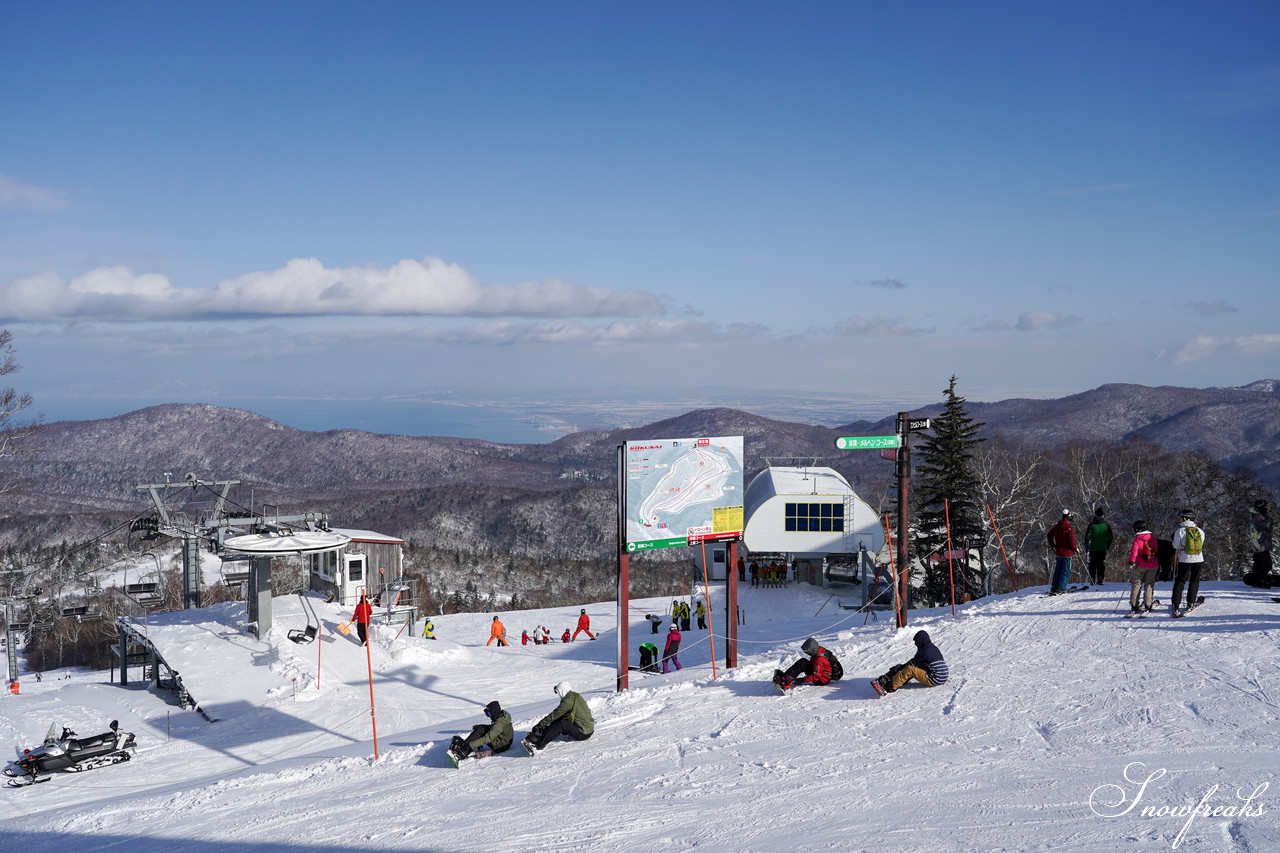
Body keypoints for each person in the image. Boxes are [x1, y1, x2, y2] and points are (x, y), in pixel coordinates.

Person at [522, 682, 594, 753]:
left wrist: (540, 724)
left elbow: (555, 714)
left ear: (563, 691)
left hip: (583, 733)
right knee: (559, 719)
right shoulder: (573, 695)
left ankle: (539, 743)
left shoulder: (567, 701)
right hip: (587, 728)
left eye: (558, 692)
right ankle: (544, 734)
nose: (558, 694)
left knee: (561, 724)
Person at [872, 630, 949, 696]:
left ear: (921, 640)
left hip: (935, 679)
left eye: (916, 641)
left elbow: (912, 664)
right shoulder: (933, 648)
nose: (915, 644)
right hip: (943, 677)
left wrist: (898, 669)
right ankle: (902, 680)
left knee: (910, 669)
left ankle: (890, 686)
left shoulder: (924, 651)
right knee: (920, 665)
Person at [449, 700, 513, 762]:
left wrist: (471, 745)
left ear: (494, 711)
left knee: (481, 731)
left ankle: (463, 752)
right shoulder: (502, 716)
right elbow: (494, 728)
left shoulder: (499, 724)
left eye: (489, 713)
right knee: (481, 728)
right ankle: (464, 746)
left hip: (501, 746)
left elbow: (487, 738)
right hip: (504, 741)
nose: (489, 716)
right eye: (487, 713)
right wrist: (482, 726)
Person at [1170, 509, 1206, 617]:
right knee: (1194, 581)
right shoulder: (1199, 530)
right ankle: (1191, 603)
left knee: (1180, 582)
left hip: (1185, 559)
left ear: (1185, 518)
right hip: (1199, 559)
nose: (1179, 519)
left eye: (1180, 517)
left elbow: (1176, 546)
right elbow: (1202, 543)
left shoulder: (1180, 531)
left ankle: (1176, 605)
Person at [773, 637, 842, 690]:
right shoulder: (819, 650)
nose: (807, 654)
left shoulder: (819, 659)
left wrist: (802, 680)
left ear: (812, 649)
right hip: (823, 675)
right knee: (803, 662)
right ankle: (786, 677)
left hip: (821, 680)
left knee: (802, 663)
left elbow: (816, 676)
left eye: (807, 652)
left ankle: (785, 683)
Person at [1126, 520, 1159, 616]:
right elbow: (1156, 549)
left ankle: (1134, 605)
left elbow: (1134, 552)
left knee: (1136, 585)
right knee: (1149, 585)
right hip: (1153, 565)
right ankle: (1148, 605)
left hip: (1139, 565)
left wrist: (1131, 561)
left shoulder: (1137, 539)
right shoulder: (1152, 538)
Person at [1244, 500, 1276, 588]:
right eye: (1265, 506)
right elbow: (1270, 526)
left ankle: (1255, 580)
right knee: (1267, 564)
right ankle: (1259, 579)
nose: (1267, 508)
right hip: (1262, 544)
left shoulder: (1253, 515)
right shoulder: (1259, 517)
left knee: (1258, 563)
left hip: (1256, 544)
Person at [1046, 509, 1079, 594]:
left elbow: (1049, 535)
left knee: (1058, 570)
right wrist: (1075, 549)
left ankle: (1054, 587)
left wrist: (1053, 546)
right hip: (1067, 553)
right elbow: (1072, 542)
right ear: (1068, 517)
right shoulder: (1069, 528)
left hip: (1059, 552)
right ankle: (1061, 588)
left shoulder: (1058, 526)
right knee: (1065, 570)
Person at [1084, 507, 1114, 585]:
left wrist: (1086, 544)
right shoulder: (1106, 525)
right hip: (1102, 548)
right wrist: (1108, 544)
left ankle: (1092, 578)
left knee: (1093, 563)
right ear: (1102, 515)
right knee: (1101, 564)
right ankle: (1100, 578)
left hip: (1093, 548)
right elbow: (1110, 536)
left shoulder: (1091, 525)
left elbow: (1087, 536)